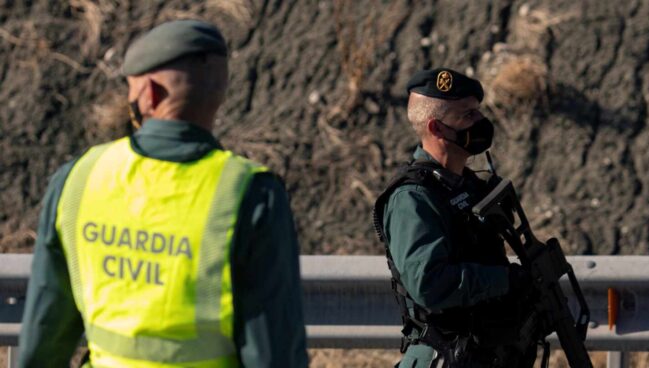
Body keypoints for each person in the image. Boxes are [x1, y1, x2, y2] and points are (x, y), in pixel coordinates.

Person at [19, 20, 308, 368]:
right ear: (219, 93)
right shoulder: (250, 194)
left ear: (148, 95)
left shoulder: (79, 179)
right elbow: (272, 353)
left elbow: (43, 339)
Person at [373, 68, 537, 367]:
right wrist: (504, 280)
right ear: (437, 128)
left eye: (477, 112)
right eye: (467, 116)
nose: (480, 122)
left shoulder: (469, 185)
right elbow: (429, 284)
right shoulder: (414, 198)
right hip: (446, 355)